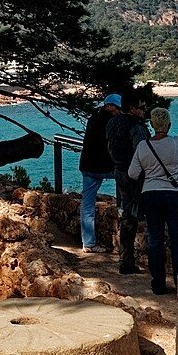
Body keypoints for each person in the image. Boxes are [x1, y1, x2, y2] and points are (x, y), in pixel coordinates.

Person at [126, 103, 178, 294]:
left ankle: (158, 284)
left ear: (152, 125)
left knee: (155, 240)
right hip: (174, 195)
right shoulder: (177, 142)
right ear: (168, 125)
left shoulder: (143, 146)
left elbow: (132, 173)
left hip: (150, 196)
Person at [105, 90, 150, 274]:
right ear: (132, 108)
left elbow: (109, 146)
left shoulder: (112, 122)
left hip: (119, 171)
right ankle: (132, 261)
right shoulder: (136, 127)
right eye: (142, 107)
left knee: (127, 216)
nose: (145, 109)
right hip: (134, 175)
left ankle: (126, 259)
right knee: (140, 216)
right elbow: (143, 152)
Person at [78, 94, 122, 252]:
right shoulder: (112, 121)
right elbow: (114, 145)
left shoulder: (93, 117)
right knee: (128, 180)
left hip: (87, 165)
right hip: (104, 167)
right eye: (118, 108)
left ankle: (88, 243)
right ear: (110, 106)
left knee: (87, 204)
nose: (119, 111)